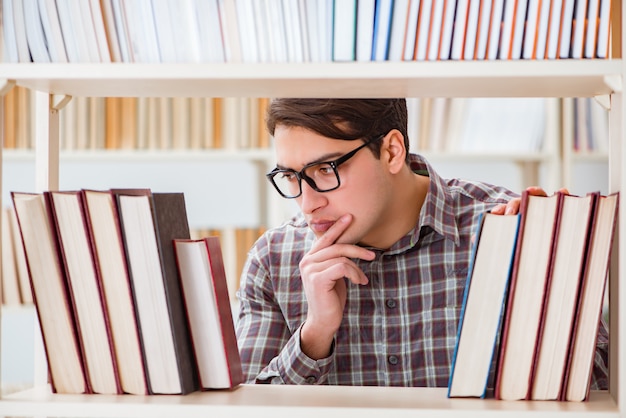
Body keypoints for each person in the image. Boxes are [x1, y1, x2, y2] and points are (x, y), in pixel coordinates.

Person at [234, 98, 609, 388]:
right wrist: (315, 335)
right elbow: (242, 410)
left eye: (325, 169)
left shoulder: (507, 230)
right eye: (291, 176)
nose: (307, 202)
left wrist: (552, 284)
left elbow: (600, 389)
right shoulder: (273, 260)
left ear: (392, 151)